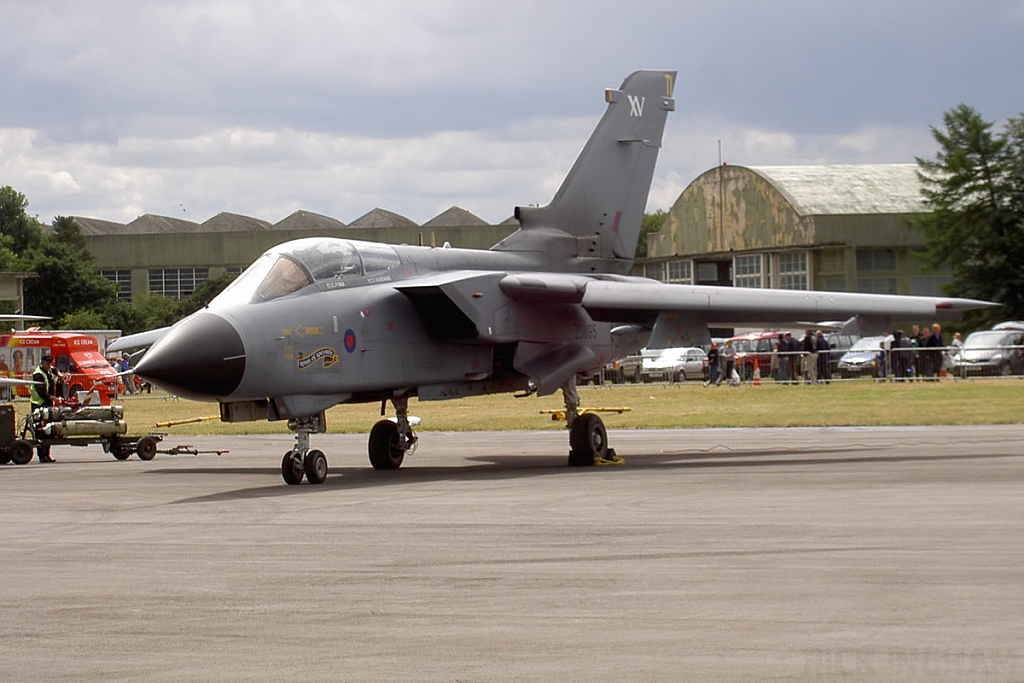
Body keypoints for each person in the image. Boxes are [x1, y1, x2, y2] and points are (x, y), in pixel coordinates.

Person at [29, 354, 59, 462]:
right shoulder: (38, 374)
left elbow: (54, 370)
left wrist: (59, 374)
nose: (49, 365)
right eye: (47, 364)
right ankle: (42, 456)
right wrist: (53, 398)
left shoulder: (49, 370)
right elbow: (41, 392)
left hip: (47, 403)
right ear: (42, 363)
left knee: (49, 430)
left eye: (50, 363)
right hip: (38, 404)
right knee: (41, 430)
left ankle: (47, 454)